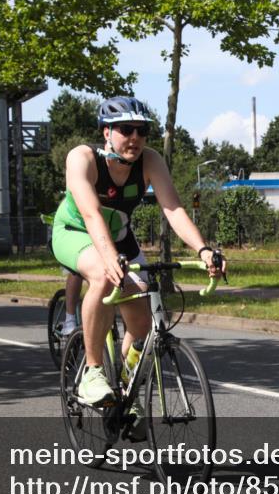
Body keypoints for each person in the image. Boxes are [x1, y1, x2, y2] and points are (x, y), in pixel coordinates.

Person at [50, 97, 226, 424]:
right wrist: (108, 257)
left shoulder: (151, 161)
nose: (135, 137)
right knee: (103, 276)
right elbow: (89, 213)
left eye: (142, 131)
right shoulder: (82, 157)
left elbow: (173, 209)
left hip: (118, 235)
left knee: (142, 318)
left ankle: (127, 390)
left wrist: (203, 250)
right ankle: (92, 372)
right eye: (126, 129)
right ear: (106, 132)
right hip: (74, 231)